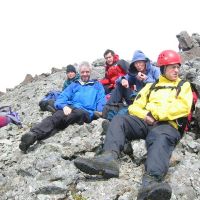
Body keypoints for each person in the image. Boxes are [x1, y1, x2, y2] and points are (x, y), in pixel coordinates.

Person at [74, 50, 193, 200]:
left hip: (167, 125)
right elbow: (134, 106)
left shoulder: (183, 85)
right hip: (146, 120)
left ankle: (151, 182)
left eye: (177, 67)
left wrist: (155, 114)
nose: (176, 70)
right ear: (163, 68)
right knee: (119, 120)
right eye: (172, 67)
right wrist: (145, 116)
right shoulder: (151, 87)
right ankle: (108, 159)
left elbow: (183, 108)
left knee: (160, 140)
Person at [19, 61, 106, 152]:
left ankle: (40, 134)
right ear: (79, 73)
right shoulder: (74, 85)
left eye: (87, 72)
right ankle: (33, 135)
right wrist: (64, 106)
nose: (85, 74)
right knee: (56, 116)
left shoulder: (97, 85)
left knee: (75, 114)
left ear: (90, 72)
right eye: (83, 72)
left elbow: (101, 100)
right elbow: (62, 97)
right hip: (71, 108)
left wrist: (99, 112)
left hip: (86, 112)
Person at [102, 50, 160, 121]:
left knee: (124, 112)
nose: (138, 65)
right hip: (136, 99)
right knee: (120, 86)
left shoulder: (155, 70)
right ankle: (106, 110)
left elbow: (161, 85)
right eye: (136, 63)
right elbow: (119, 80)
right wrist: (123, 79)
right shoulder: (135, 73)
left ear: (145, 61)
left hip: (150, 101)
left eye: (140, 62)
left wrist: (146, 79)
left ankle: (116, 116)